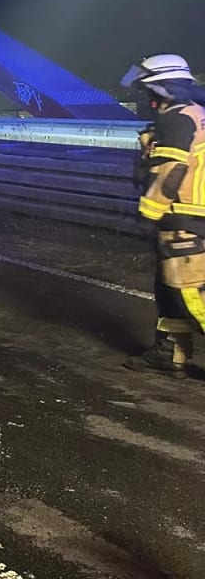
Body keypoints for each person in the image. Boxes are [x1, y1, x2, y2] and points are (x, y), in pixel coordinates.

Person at [122, 54, 205, 377]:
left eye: (148, 91)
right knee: (169, 289)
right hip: (192, 214)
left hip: (184, 216)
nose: (146, 98)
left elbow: (172, 171)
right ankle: (169, 353)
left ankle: (169, 353)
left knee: (191, 291)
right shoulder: (195, 113)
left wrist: (149, 213)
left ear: (162, 89)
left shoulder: (177, 119)